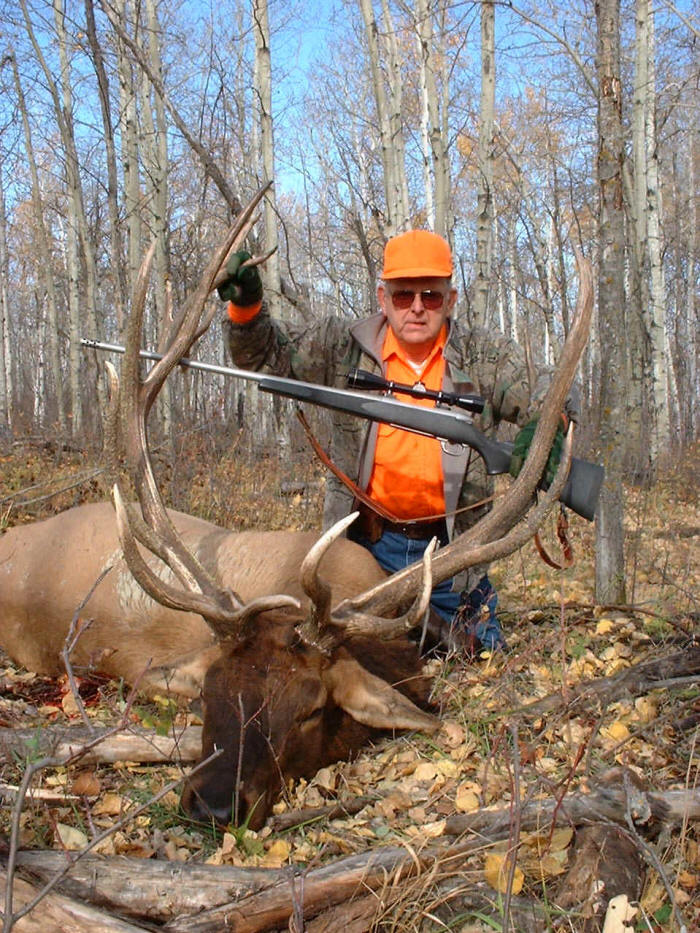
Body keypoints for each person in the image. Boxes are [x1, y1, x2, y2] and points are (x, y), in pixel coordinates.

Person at [218, 230, 577, 653]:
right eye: (404, 295)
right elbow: (264, 355)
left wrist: (548, 428)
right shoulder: (342, 346)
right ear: (382, 299)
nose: (418, 307)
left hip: (453, 556)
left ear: (451, 300)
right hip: (364, 552)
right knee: (351, 658)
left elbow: (553, 391)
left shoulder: (487, 356)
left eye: (432, 296)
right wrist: (247, 310)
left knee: (479, 655)